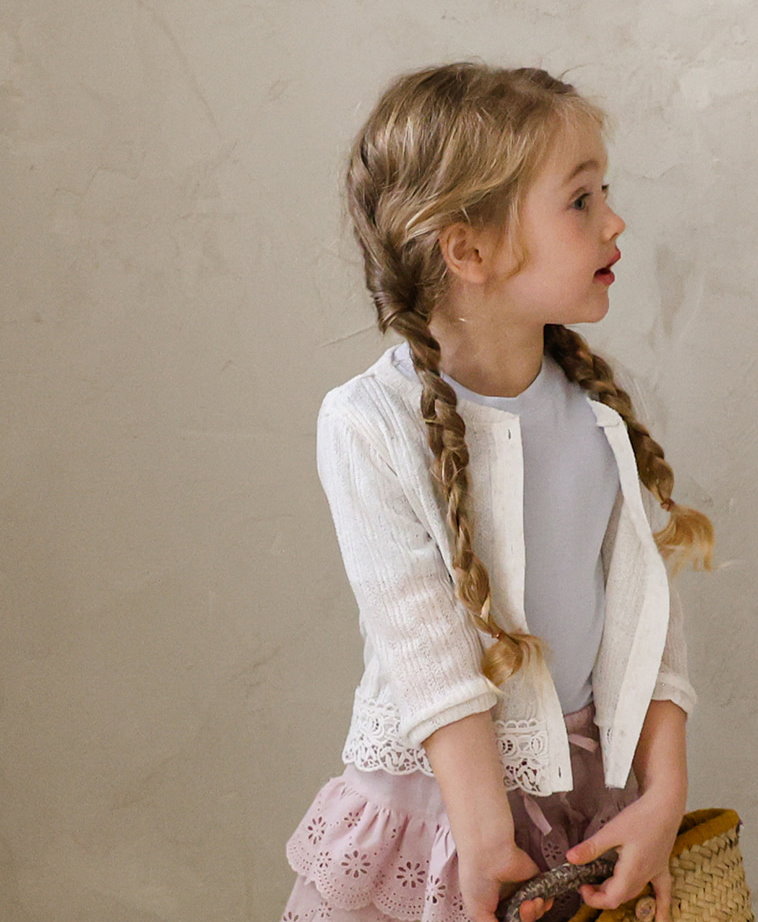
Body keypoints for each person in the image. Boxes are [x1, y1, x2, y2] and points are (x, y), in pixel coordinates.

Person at [279, 61, 715, 922]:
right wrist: (483, 832)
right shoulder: (370, 422)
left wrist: (662, 796)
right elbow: (425, 647)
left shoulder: (596, 410)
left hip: (588, 807)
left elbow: (646, 621)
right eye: (580, 199)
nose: (614, 220)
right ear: (469, 250)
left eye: (604, 192)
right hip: (445, 813)